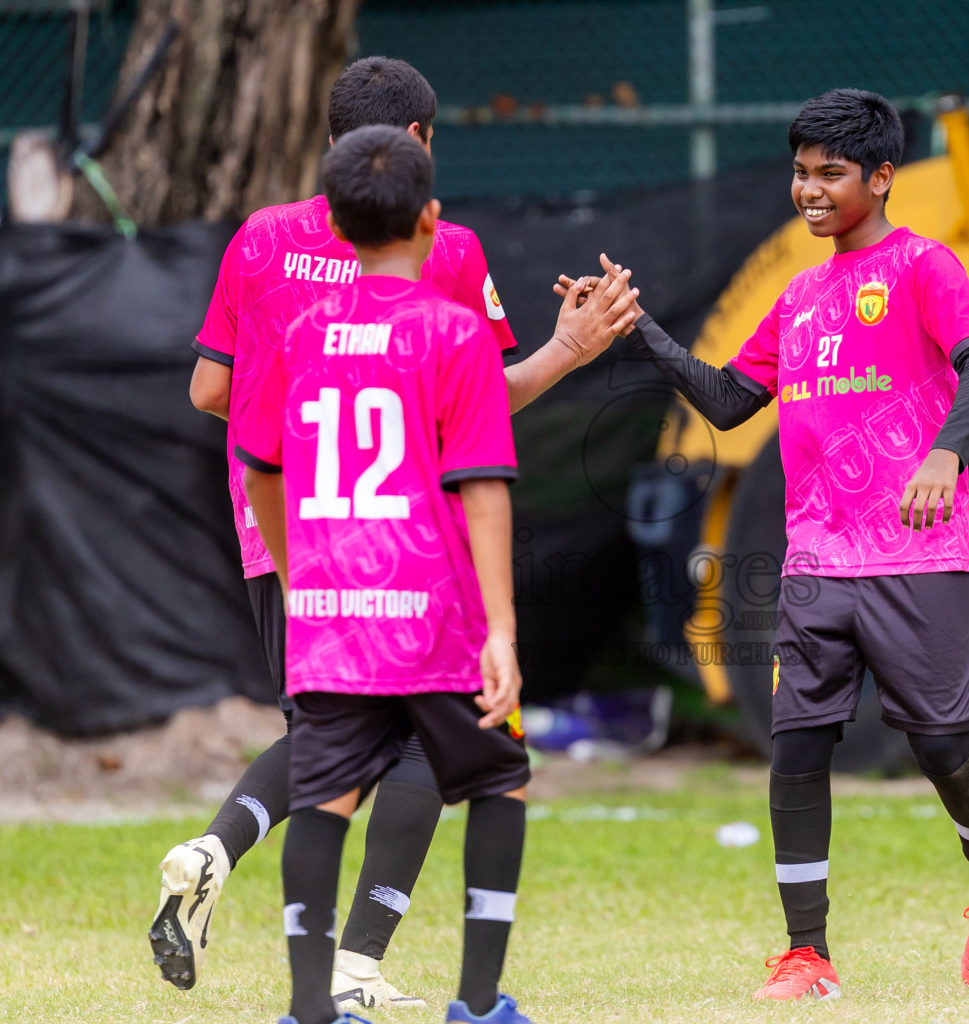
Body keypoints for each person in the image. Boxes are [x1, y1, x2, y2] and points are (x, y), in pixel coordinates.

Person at [156, 56, 636, 1010]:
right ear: (418, 149)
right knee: (437, 743)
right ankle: (370, 967)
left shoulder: (260, 242)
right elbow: (479, 420)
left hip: (292, 541)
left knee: (330, 732)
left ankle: (222, 851)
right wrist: (571, 348)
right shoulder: (445, 251)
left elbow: (214, 393)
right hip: (410, 538)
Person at [565, 88, 969, 997]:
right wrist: (640, 330)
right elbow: (732, 399)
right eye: (801, 173)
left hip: (918, 556)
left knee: (940, 744)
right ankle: (806, 953)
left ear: (882, 178)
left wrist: (944, 454)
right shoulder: (801, 293)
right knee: (799, 745)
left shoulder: (926, 268)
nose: (809, 190)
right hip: (815, 562)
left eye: (831, 175)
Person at [238, 124, 554, 1024]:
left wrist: (302, 575)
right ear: (431, 219)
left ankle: (311, 1004)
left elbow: (259, 465)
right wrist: (501, 628)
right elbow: (483, 489)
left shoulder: (297, 333)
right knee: (500, 780)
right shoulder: (453, 334)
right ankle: (480, 1000)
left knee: (324, 796)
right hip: (431, 609)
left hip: (335, 607)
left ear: (335, 225)